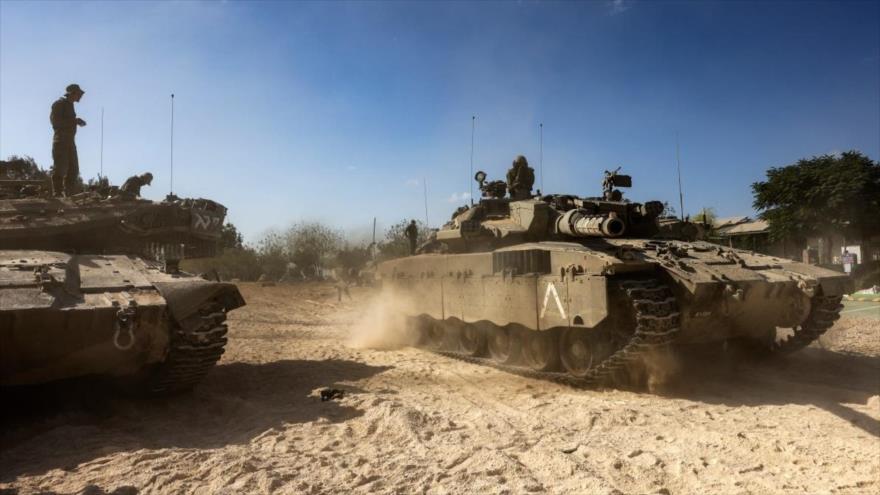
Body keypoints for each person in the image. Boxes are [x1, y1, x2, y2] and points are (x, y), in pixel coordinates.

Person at [49, 83, 87, 197]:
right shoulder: (59, 104)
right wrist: (74, 121)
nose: (80, 96)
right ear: (72, 93)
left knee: (74, 170)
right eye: (79, 94)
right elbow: (56, 122)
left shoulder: (70, 105)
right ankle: (58, 194)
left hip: (70, 142)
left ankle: (69, 194)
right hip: (60, 141)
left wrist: (76, 121)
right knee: (60, 168)